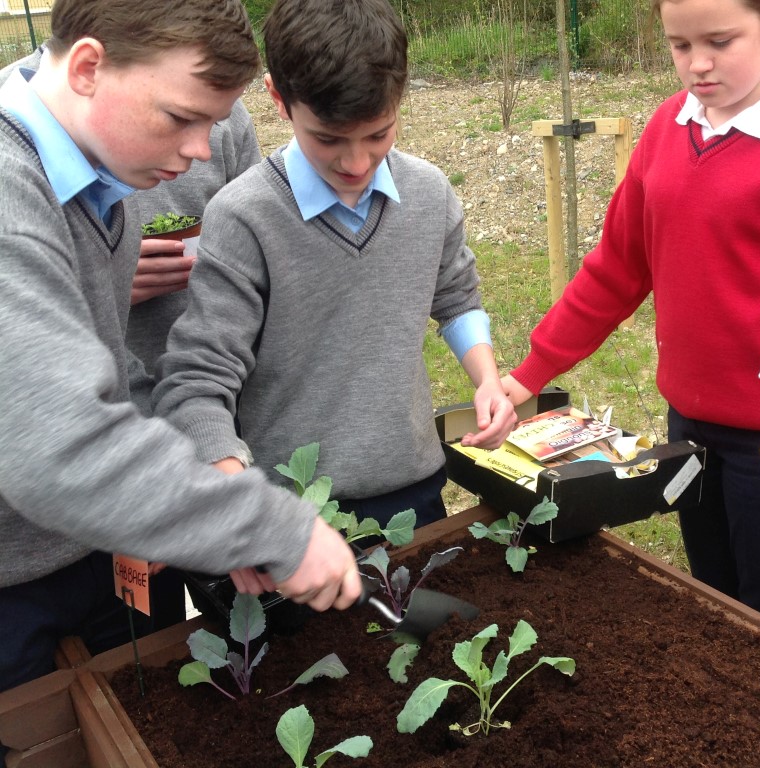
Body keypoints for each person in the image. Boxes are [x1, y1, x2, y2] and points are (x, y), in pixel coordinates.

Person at [501, 0, 760, 639]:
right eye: (679, 45)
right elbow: (617, 269)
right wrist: (529, 373)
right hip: (691, 430)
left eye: (720, 42)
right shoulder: (667, 127)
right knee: (716, 614)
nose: (697, 65)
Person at [0, 0, 363, 703]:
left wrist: (215, 501)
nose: (201, 149)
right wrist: (270, 527)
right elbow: (54, 447)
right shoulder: (11, 206)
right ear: (88, 68)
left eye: (214, 124)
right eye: (180, 118)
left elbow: (108, 367)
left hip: (97, 543)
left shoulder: (92, 174)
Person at [152, 0, 516, 533]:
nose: (356, 163)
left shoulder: (429, 193)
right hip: (291, 513)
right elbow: (200, 378)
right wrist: (241, 506)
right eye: (327, 139)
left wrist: (487, 380)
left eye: (379, 134)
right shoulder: (243, 217)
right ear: (278, 98)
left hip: (414, 492)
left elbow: (457, 299)